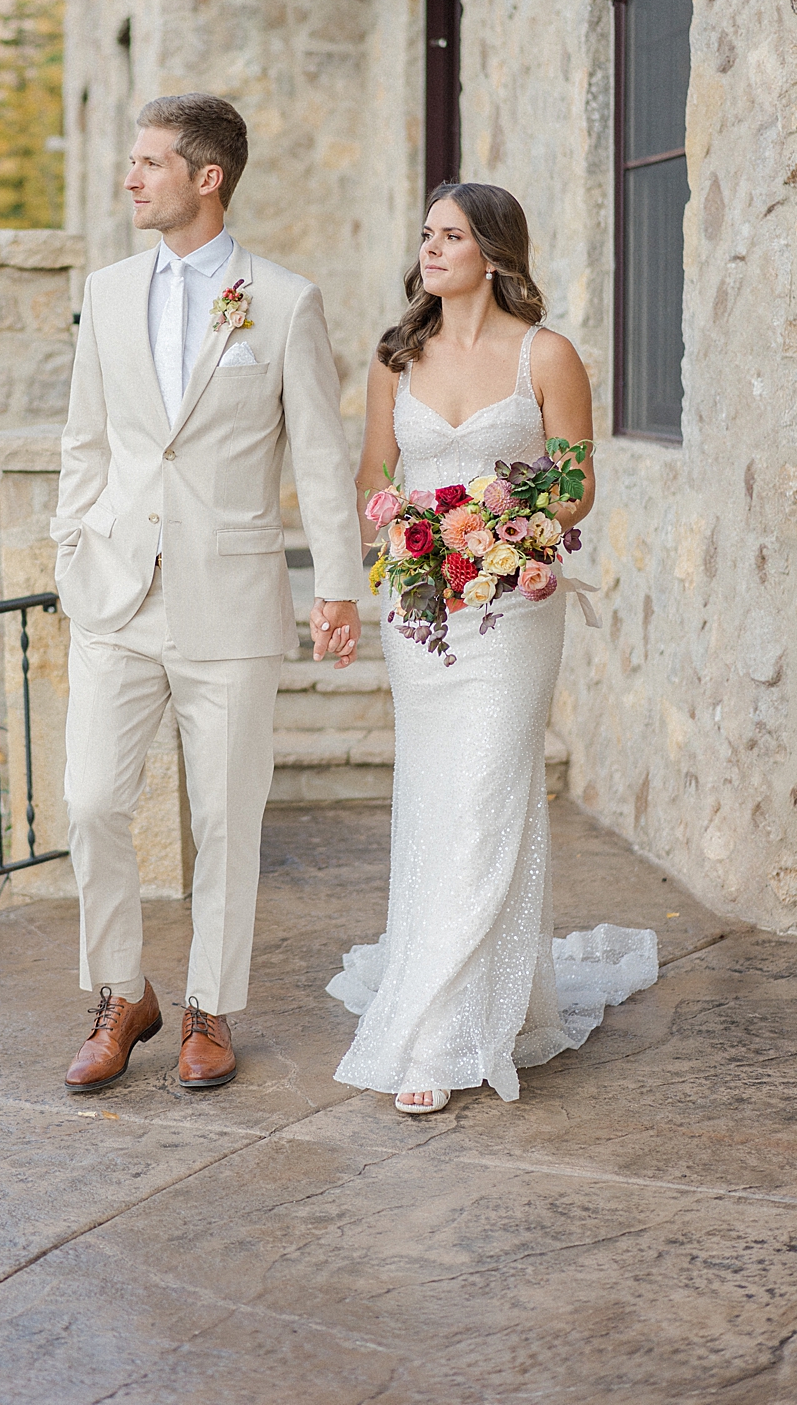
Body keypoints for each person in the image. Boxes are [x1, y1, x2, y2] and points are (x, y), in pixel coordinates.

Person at [52, 92, 362, 1093]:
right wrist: (72, 548)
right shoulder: (104, 290)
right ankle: (122, 991)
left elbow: (320, 458)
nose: (132, 178)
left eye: (150, 163)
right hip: (116, 593)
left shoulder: (283, 301)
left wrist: (339, 588)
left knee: (229, 817)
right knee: (92, 800)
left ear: (206, 177)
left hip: (230, 600)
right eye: (134, 161)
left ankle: (205, 1008)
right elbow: (86, 439)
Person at [328, 181, 657, 1114]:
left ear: (495, 253)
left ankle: (440, 1036)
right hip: (422, 612)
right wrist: (392, 542)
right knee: (436, 802)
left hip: (512, 609)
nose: (432, 249)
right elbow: (375, 478)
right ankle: (479, 1000)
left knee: (489, 795)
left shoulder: (546, 356)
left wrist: (504, 523)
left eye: (452, 236)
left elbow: (575, 484)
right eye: (427, 234)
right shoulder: (397, 357)